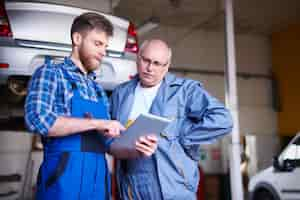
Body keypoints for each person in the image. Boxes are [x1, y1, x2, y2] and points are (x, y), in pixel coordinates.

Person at [24, 13, 157, 200]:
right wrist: (96, 123)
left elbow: (110, 145)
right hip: (62, 183)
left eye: (105, 46)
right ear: (77, 39)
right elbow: (38, 120)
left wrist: (136, 149)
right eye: (97, 44)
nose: (103, 52)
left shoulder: (97, 90)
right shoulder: (51, 73)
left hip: (97, 186)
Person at [110, 39, 233, 200]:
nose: (150, 68)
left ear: (166, 66)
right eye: (146, 60)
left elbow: (223, 120)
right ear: (138, 58)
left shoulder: (184, 91)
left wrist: (183, 136)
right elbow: (108, 135)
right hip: (132, 186)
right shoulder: (121, 93)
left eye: (157, 63)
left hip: (173, 184)